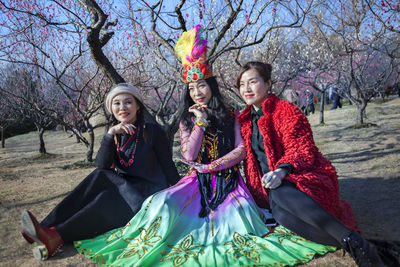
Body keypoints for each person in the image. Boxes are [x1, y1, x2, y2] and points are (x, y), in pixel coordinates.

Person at [72, 25, 341, 267]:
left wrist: (213, 165)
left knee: (233, 221)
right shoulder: (187, 119)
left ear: (210, 86)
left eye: (201, 86)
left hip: (228, 182)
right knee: (162, 203)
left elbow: (240, 150)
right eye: (191, 88)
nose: (197, 92)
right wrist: (199, 124)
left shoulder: (231, 113)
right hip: (194, 181)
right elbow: (188, 154)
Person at [236, 61, 384, 267]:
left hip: (301, 179)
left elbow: (301, 148)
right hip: (272, 192)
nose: (247, 89)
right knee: (280, 213)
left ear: (268, 83)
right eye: (242, 84)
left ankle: (355, 244)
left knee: (279, 192)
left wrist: (281, 171)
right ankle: (357, 244)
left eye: (253, 82)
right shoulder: (243, 120)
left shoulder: (286, 111)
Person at [20, 83, 180, 260]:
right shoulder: (115, 132)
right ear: (111, 108)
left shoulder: (152, 131)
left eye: (128, 102)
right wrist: (110, 134)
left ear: (138, 106)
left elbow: (168, 165)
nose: (122, 108)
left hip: (145, 194)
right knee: (100, 176)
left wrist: (183, 193)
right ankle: (43, 229)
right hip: (123, 187)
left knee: (104, 199)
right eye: (116, 103)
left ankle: (54, 237)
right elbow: (102, 165)